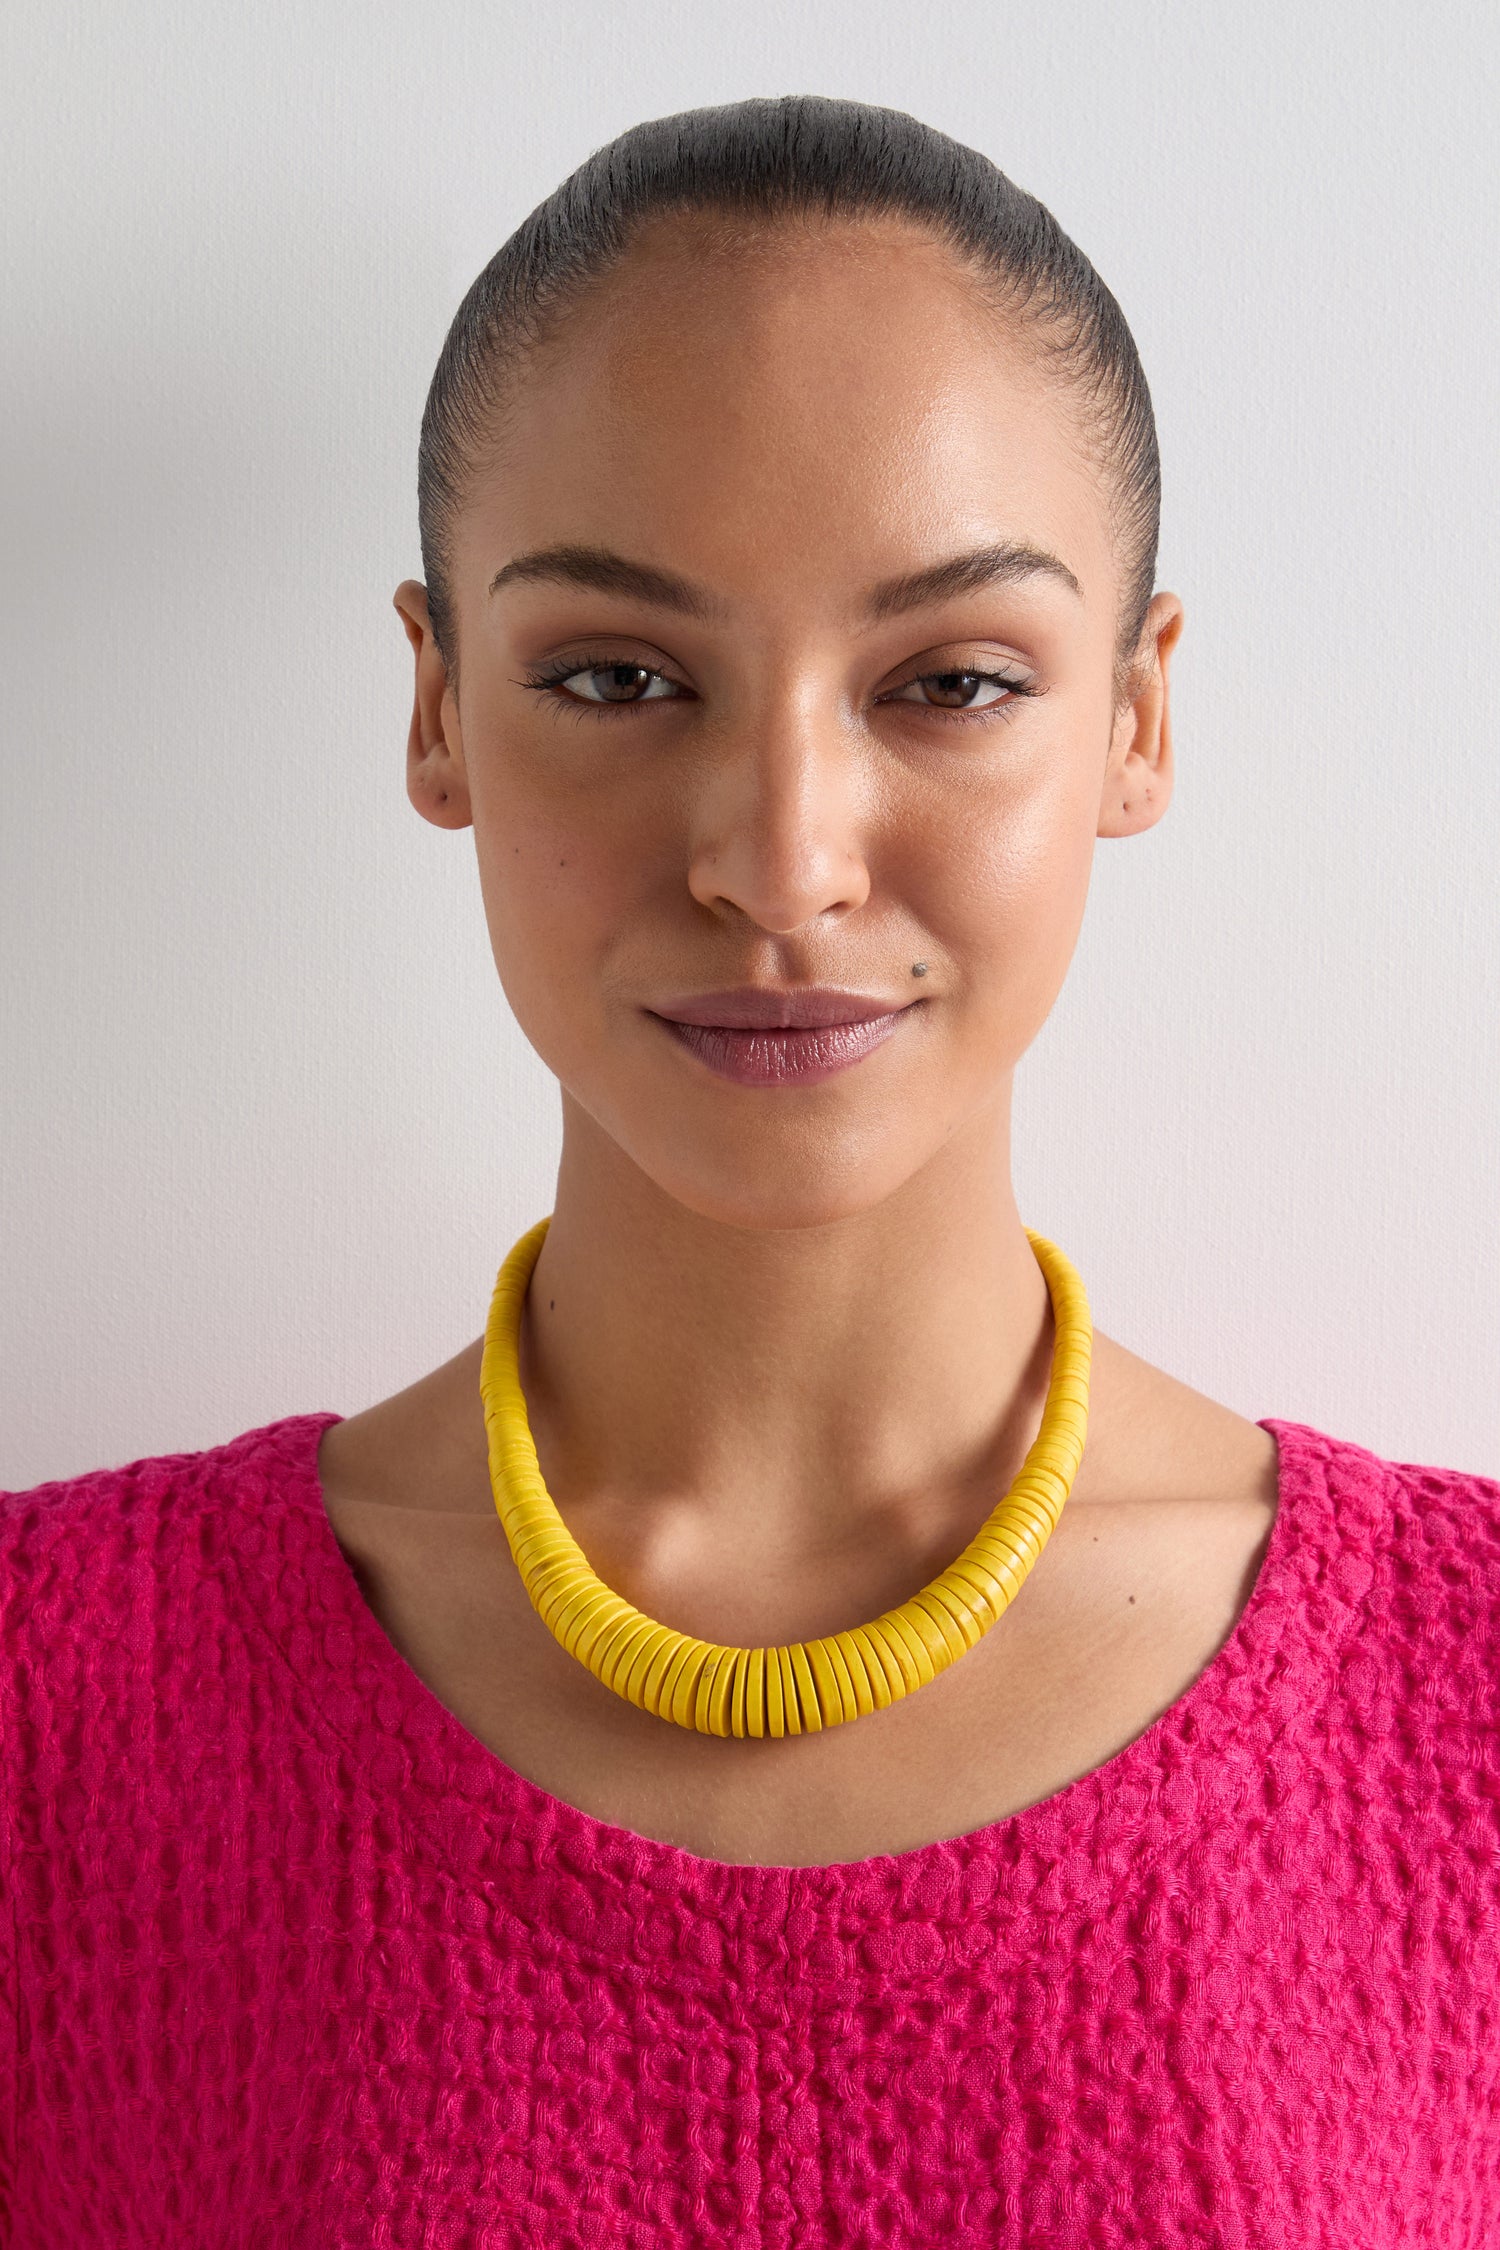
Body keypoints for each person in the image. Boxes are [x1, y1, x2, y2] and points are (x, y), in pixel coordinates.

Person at [2, 95, 1495, 2250]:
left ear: (1136, 722)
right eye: (616, 677)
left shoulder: (1472, 1707)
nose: (780, 863)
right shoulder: (55, 1707)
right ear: (437, 709)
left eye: (953, 682)